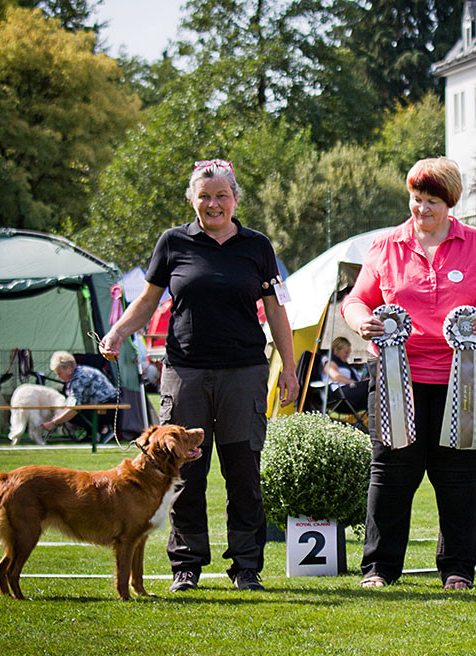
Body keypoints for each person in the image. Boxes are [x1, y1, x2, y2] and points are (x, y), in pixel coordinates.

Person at [98, 158, 299, 593]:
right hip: (185, 373)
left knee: (243, 471)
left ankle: (247, 566)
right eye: (204, 196)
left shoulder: (257, 246)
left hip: (244, 373)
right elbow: (148, 302)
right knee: (183, 473)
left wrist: (290, 368)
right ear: (192, 199)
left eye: (221, 195)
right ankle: (186, 566)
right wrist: (117, 330)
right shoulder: (173, 243)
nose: (213, 204)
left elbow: (278, 311)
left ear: (235, 199)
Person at [342, 157, 476, 590]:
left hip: (469, 376)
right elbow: (355, 301)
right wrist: (360, 320)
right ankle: (380, 569)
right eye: (416, 199)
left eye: (431, 201)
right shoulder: (385, 247)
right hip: (395, 376)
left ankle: (457, 568)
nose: (421, 209)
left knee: (458, 474)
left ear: (450, 203)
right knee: (390, 470)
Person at [41, 352, 119, 442]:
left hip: (109, 409)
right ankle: (92, 434)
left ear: (69, 369)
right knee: (71, 413)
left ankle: (101, 431)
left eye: (59, 373)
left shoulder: (79, 378)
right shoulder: (80, 372)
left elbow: (74, 408)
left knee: (74, 416)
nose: (58, 376)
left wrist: (54, 422)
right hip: (106, 405)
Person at [323, 337, 369, 411]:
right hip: (339, 395)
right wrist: (357, 383)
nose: (347, 355)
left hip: (349, 393)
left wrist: (361, 382)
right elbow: (336, 377)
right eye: (346, 352)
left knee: (372, 385)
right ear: (336, 350)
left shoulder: (345, 364)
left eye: (349, 352)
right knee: (370, 385)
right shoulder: (330, 362)